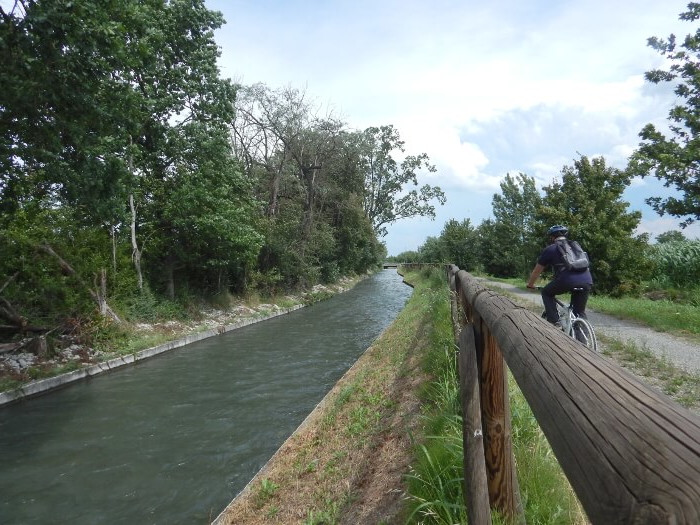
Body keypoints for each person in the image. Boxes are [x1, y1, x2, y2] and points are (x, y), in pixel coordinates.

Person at [526, 225, 593, 326]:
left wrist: (530, 284)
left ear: (552, 237)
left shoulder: (550, 249)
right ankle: (583, 339)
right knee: (579, 312)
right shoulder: (576, 247)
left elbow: (537, 271)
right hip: (587, 280)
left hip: (567, 280)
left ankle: (554, 322)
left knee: (546, 292)